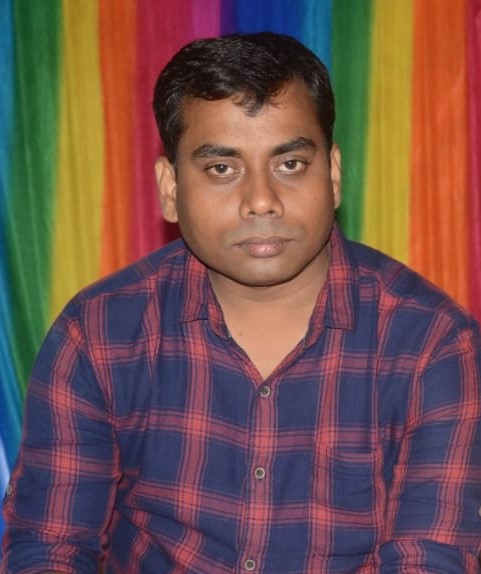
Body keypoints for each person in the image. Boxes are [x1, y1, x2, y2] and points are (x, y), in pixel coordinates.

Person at [2, 31, 481, 574]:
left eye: (290, 164)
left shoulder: (433, 345)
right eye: (222, 169)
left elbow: (429, 559)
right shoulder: (99, 334)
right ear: (170, 188)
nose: (261, 201)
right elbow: (50, 548)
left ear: (333, 173)